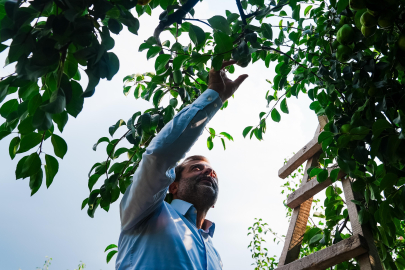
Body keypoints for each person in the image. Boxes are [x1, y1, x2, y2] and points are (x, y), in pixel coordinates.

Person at [116, 60, 248, 270]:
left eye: (212, 172)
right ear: (173, 186)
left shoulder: (215, 255)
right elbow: (158, 156)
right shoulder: (146, 211)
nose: (208, 171)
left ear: (214, 203)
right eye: (196, 167)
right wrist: (215, 95)